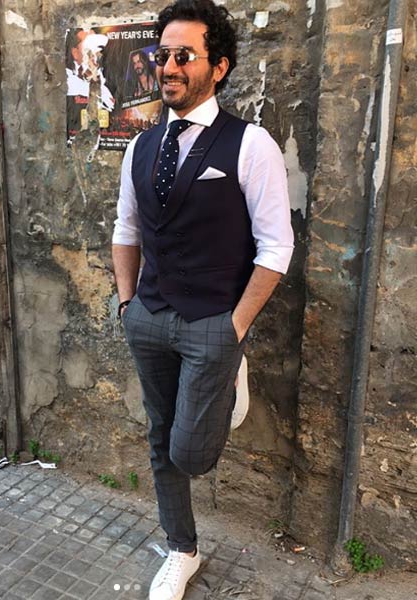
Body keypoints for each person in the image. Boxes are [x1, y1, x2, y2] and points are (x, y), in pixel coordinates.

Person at [111, 2, 294, 599]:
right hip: (148, 316)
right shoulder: (141, 146)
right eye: (162, 54)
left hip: (214, 321)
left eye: (184, 55)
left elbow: (276, 247)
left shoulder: (250, 144)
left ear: (218, 67)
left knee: (191, 453)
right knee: (159, 437)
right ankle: (181, 548)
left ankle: (231, 371)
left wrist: (236, 326)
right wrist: (126, 304)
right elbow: (126, 229)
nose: (168, 67)